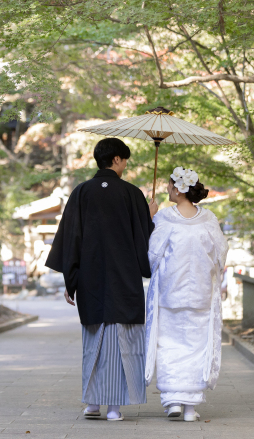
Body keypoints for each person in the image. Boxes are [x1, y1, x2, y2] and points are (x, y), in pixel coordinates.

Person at [45, 137, 158, 422]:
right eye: (125, 160)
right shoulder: (132, 194)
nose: (125, 165)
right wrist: (150, 214)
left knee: (94, 339)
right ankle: (114, 408)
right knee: (123, 340)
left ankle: (92, 403)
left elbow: (71, 238)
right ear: (117, 159)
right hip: (124, 281)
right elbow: (144, 239)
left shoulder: (81, 192)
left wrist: (71, 281)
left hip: (91, 280)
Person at [145, 166, 229, 422]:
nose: (167, 190)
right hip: (200, 293)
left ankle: (173, 401)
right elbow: (220, 254)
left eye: (170, 186)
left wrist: (149, 218)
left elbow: (153, 255)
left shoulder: (165, 218)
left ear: (178, 189)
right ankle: (190, 407)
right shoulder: (209, 218)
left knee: (169, 345)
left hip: (171, 292)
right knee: (196, 346)